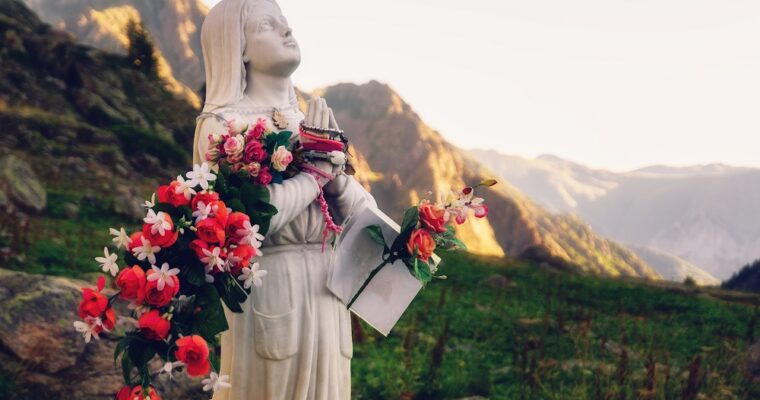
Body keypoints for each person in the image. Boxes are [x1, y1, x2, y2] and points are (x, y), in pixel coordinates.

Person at [192, 0, 377, 398]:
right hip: (270, 284)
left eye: (286, 23)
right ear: (238, 46)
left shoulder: (309, 119)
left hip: (328, 286)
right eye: (267, 26)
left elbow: (362, 217)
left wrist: (337, 177)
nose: (287, 31)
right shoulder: (222, 123)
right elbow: (246, 223)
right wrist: (314, 176)